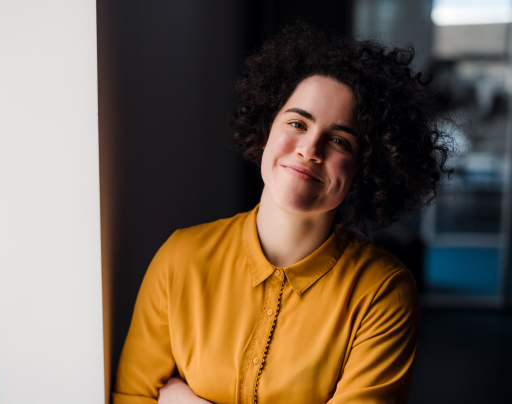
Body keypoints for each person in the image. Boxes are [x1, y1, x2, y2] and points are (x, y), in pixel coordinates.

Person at [112, 22, 451, 404]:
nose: (309, 148)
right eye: (296, 123)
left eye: (340, 140)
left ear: (365, 169)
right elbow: (132, 396)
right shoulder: (180, 257)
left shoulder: (383, 293)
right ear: (266, 129)